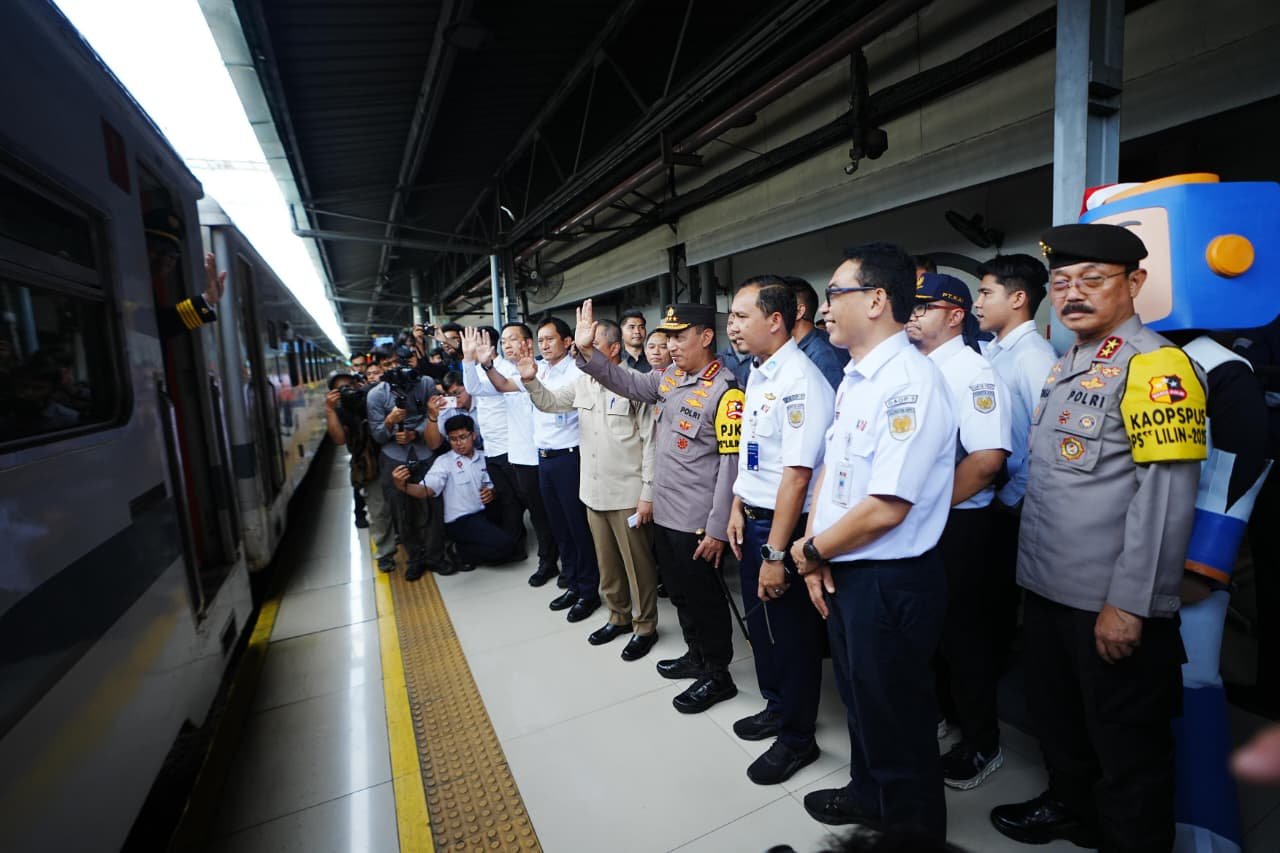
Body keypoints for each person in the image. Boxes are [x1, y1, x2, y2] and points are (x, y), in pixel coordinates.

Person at [990, 224, 1207, 852]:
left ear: (1135, 283)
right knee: (1062, 725)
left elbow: (1165, 499)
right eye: (1061, 283)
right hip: (1051, 591)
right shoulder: (1071, 361)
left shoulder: (1157, 367)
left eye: (1092, 280)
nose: (1073, 294)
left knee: (1128, 748)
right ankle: (1071, 810)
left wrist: (1131, 603)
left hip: (1109, 603)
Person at [790, 242, 956, 840]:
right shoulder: (858, 379)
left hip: (888, 581)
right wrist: (813, 554)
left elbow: (887, 506)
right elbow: (836, 482)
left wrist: (809, 552)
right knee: (862, 703)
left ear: (878, 300)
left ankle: (911, 834)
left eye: (836, 294)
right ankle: (869, 798)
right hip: (844, 570)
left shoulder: (909, 383)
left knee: (899, 720)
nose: (826, 308)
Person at [575, 299, 744, 714]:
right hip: (665, 512)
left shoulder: (725, 391)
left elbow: (730, 467)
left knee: (705, 600)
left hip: (697, 522)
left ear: (706, 337)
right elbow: (628, 383)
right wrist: (587, 353)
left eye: (679, 338)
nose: (670, 347)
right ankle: (696, 656)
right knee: (682, 595)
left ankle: (717, 674)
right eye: (666, 338)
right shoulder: (669, 378)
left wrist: (719, 527)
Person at [724, 277, 835, 785]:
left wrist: (775, 554)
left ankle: (797, 737)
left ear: (776, 320)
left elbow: (797, 475)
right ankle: (776, 707)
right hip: (754, 517)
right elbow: (757, 458)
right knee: (763, 631)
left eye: (743, 316)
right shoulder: (760, 373)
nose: (733, 325)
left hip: (781, 532)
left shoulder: (801, 381)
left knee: (791, 638)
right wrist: (736, 506)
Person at [906, 272, 1012, 790]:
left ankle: (981, 743)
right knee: (936, 635)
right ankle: (944, 718)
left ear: (955, 315)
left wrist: (926, 506)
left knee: (966, 640)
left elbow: (988, 461)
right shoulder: (919, 367)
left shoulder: (971, 371)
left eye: (924, 307)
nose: (913, 314)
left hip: (961, 522)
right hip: (928, 522)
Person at [519, 318, 662, 661]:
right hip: (593, 490)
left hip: (627, 493)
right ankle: (618, 615)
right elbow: (551, 403)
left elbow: (650, 443)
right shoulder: (583, 382)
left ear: (613, 349)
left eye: (591, 344)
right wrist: (530, 380)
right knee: (607, 562)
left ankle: (645, 626)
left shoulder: (636, 385)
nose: (583, 351)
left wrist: (647, 493)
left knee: (638, 565)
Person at [472, 318, 601, 621]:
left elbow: (559, 404)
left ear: (568, 342)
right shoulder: (538, 367)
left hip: (570, 456)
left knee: (577, 527)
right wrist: (489, 365)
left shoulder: (577, 370)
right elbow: (503, 385)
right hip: (544, 457)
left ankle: (589, 590)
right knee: (560, 527)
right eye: (540, 340)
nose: (543, 345)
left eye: (550, 339)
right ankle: (571, 580)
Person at [972, 254, 1058, 668]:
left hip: (1012, 504)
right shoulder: (996, 352)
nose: (978, 303)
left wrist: (1011, 499)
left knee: (997, 609)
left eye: (986, 292)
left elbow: (1048, 440)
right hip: (997, 498)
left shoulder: (1033, 356)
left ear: (1019, 298)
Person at [463, 322, 562, 586]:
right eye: (503, 341)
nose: (506, 345)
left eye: (512, 339)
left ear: (528, 343)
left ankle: (564, 560)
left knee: (558, 512)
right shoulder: (503, 375)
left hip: (550, 451)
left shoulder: (542, 370)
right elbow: (474, 389)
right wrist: (469, 359)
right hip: (522, 456)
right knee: (539, 515)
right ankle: (548, 561)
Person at [366, 344, 456, 580]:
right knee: (401, 510)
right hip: (394, 457)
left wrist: (415, 432)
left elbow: (434, 415)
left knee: (434, 505)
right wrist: (389, 422)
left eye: (400, 362)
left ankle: (436, 556)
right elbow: (376, 435)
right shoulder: (376, 395)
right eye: (389, 365)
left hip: (425, 452)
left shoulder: (425, 383)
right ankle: (414, 558)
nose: (396, 369)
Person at [392, 414, 523, 569]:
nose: (459, 443)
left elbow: (497, 487)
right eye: (453, 439)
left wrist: (492, 493)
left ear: (473, 435)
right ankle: (458, 551)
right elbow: (427, 490)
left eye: (463, 437)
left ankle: (479, 549)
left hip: (486, 514)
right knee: (506, 546)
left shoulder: (485, 457)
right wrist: (403, 486)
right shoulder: (444, 462)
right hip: (460, 521)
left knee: (516, 545)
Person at [324, 373, 394, 561]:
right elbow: (339, 439)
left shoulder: (371, 397)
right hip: (369, 463)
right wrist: (330, 410)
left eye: (350, 385)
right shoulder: (340, 412)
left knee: (401, 505)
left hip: (392, 456)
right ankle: (385, 553)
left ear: (358, 384)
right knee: (378, 510)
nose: (347, 390)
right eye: (341, 389)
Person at [144, 209, 226, 339]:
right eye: (157, 249)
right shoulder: (126, 285)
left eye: (172, 255)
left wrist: (208, 300)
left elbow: (158, 325)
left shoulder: (146, 289)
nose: (164, 259)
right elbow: (147, 326)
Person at [786, 275, 849, 390]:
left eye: (778, 307)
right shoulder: (798, 349)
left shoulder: (821, 355)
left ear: (799, 312)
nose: (772, 316)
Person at [620, 308, 652, 372]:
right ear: (621, 332)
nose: (637, 331)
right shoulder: (615, 360)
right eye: (632, 327)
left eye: (641, 327)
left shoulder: (653, 358)